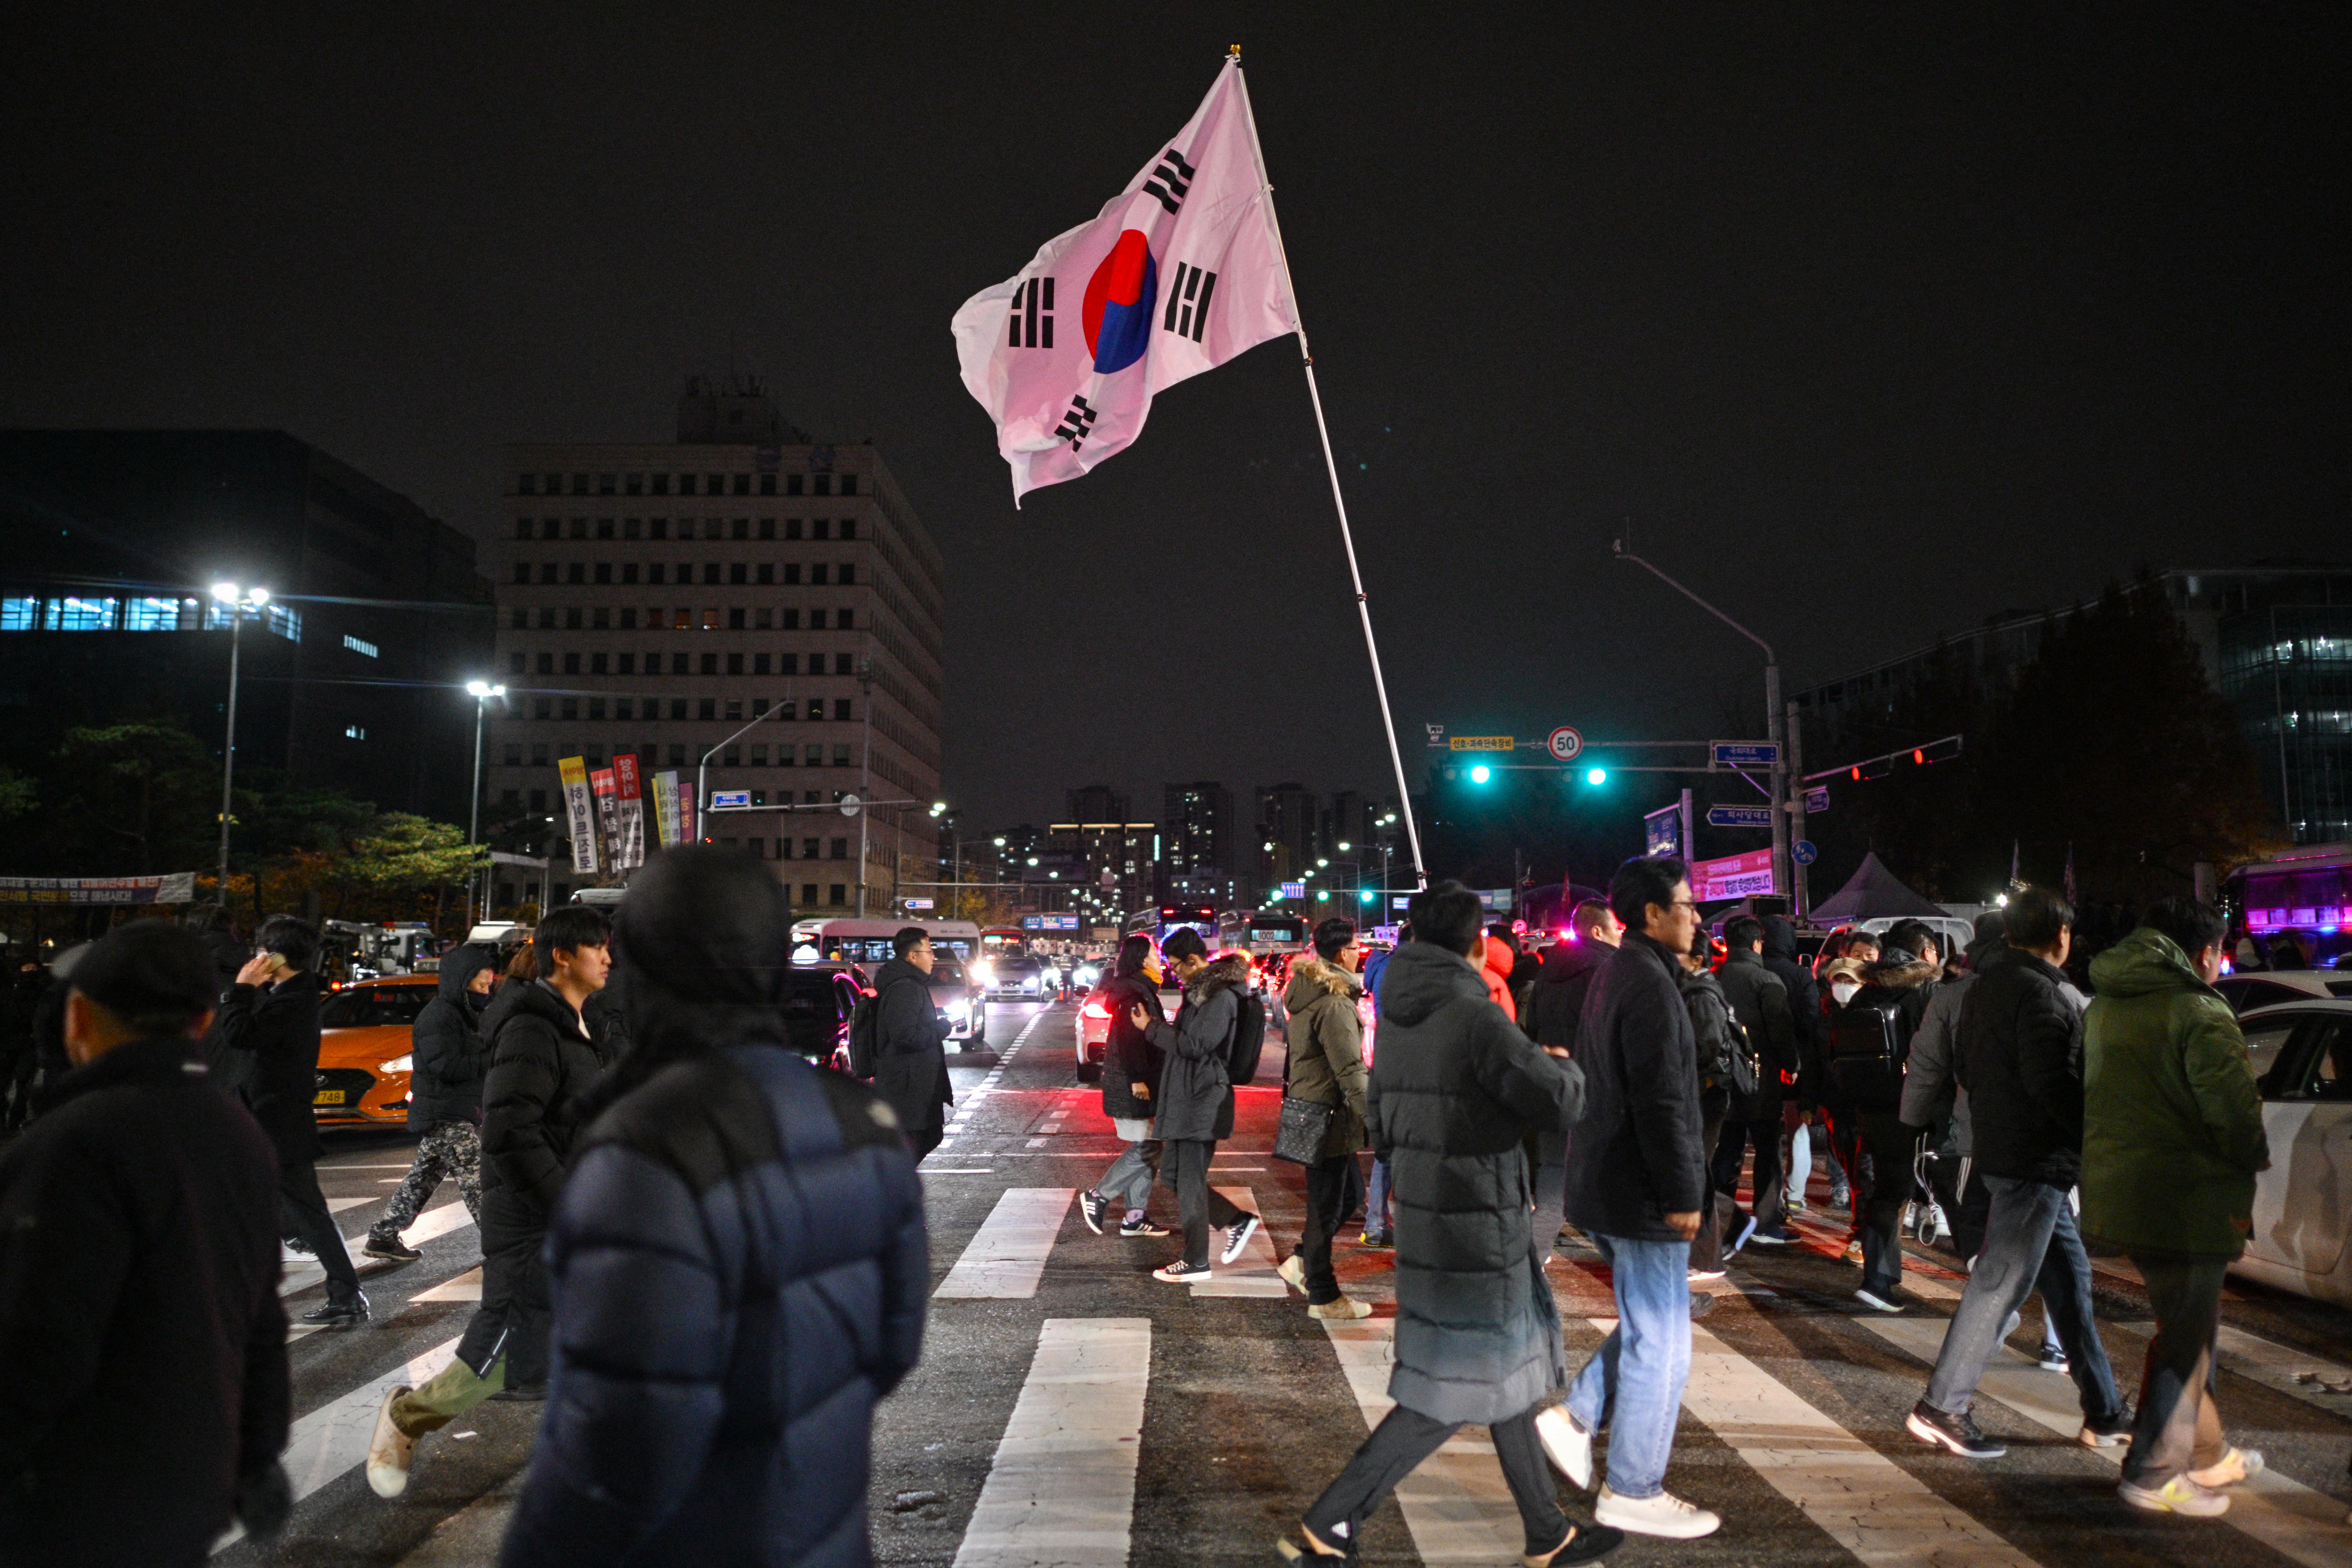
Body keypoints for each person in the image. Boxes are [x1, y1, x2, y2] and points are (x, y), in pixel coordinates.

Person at [492, 847, 926, 1566]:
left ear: (645, 964)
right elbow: (890, 1348)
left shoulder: (647, 1144)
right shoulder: (864, 1120)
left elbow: (621, 1442)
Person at [1278, 883, 1615, 1568]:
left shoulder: (1397, 1012)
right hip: (1477, 1215)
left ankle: (1547, 1531)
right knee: (1458, 1380)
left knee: (1503, 1374)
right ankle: (1330, 1520)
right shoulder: (1472, 1012)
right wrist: (1561, 1064)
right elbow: (1556, 1102)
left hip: (1429, 1209)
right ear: (1473, 942)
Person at [0, 921, 293, 1566]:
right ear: (202, 1021)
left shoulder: (73, 1144)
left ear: (78, 1017)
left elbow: (38, 1341)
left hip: (70, 1500)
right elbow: (258, 1317)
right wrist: (258, 1456)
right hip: (189, 1489)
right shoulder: (235, 1132)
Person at [368, 905, 614, 1497]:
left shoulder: (577, 1024)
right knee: (502, 1349)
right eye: (597, 947)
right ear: (563, 955)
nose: (608, 958)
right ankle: (408, 1417)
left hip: (568, 1211)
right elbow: (509, 1131)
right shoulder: (533, 1026)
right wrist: (567, 1199)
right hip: (532, 1219)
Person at [1905, 888, 2129, 1458]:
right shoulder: (2044, 994)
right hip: (2035, 1159)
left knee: (2070, 1287)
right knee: (1999, 1285)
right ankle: (1943, 1407)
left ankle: (2105, 1410)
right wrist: (2093, 1142)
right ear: (2061, 937)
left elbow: (1970, 1072)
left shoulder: (1981, 990)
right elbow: (2053, 1086)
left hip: (2006, 1152)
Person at [2083, 896, 2269, 1517]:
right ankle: (2154, 1469)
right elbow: (2233, 1115)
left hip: (2125, 1190)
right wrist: (2252, 1159)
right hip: (2187, 1198)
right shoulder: (2199, 1012)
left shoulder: (2109, 1003)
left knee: (2191, 1326)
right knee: (2186, 1336)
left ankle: (2208, 1451)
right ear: (2206, 953)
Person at [1555, 856, 1721, 1539]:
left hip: (1611, 1179)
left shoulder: (1623, 972)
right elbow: (1662, 1099)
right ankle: (1633, 1486)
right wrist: (1685, 1192)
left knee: (1657, 1325)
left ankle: (1574, 1416)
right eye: (1685, 904)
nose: (1696, 916)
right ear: (1652, 914)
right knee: (1666, 1345)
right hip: (1641, 1188)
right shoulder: (1649, 984)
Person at [217, 914, 367, 1326]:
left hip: (277, 1123)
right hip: (270, 1120)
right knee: (268, 1205)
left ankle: (346, 1292)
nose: (255, 957)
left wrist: (243, 989)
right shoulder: (291, 995)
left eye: (262, 950)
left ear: (277, 955)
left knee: (306, 1210)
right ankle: (332, 1282)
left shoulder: (291, 1000)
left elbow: (240, 1034)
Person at [1823, 920, 1940, 1311]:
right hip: (1911, 1107)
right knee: (1911, 1190)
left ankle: (1878, 1278)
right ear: (1927, 953)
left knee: (1885, 1191)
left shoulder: (1863, 992)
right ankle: (1986, 1279)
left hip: (1866, 1105)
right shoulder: (1923, 991)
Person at [1131, 926, 1259, 1282]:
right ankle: (1236, 1219)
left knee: (1187, 1180)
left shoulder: (1219, 996)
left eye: (1177, 967)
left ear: (1193, 959)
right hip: (1189, 1096)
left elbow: (1196, 1044)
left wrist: (1151, 1028)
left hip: (1202, 1098)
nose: (1175, 973)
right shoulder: (1202, 992)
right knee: (1172, 1174)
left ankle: (1196, 1260)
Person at [366, 942, 498, 1261]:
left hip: (449, 1109)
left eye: (489, 984)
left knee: (423, 1177)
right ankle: (502, 1247)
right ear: (461, 981)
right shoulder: (440, 1017)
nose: (486, 990)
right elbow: (447, 1066)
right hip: (446, 1112)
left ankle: (383, 1236)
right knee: (478, 1179)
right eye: (481, 984)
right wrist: (492, 1055)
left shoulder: (461, 1014)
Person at [1275, 917, 1373, 1319]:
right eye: (1354, 947)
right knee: (1327, 1206)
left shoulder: (1314, 994)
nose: (1359, 952)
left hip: (1320, 1110)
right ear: (1339, 953)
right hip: (1329, 1114)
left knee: (1348, 1197)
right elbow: (1349, 1069)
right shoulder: (1333, 1003)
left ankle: (1301, 1261)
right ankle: (1323, 1294)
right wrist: (1377, 1120)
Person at [1524, 900, 1622, 1233]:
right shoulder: (1608, 970)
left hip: (1553, 1080)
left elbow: (1533, 1025)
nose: (1620, 936)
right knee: (1610, 1169)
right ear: (1597, 931)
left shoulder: (1548, 971)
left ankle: (1534, 1252)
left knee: (1554, 1171)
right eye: (1616, 929)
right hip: (1598, 1086)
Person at [1713, 915, 1797, 1248]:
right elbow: (1781, 1028)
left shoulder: (1714, 978)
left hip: (1723, 1077)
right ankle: (1766, 1221)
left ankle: (1720, 1221)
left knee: (1727, 1150)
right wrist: (1792, 1063)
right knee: (1767, 1150)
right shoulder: (1766, 979)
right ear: (1757, 944)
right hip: (1762, 1078)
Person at [1080, 934, 1170, 1237]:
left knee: (1147, 1144)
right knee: (1148, 1145)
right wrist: (1138, 1078)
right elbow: (1132, 1040)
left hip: (1139, 1078)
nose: (1160, 959)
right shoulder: (1133, 995)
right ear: (1142, 960)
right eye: (1155, 955)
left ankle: (1134, 1217)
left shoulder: (1137, 990)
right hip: (1134, 1081)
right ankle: (1099, 1196)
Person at [1676, 944, 1741, 1281]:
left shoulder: (1700, 994)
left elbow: (1707, 1045)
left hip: (1706, 1093)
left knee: (1696, 1174)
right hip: (1704, 1092)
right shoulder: (1697, 990)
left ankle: (1707, 1260)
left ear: (1698, 960)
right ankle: (1737, 1220)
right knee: (1696, 1172)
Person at [870, 927, 952, 1160]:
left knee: (927, 1137)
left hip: (914, 1086)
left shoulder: (910, 983)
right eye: (929, 951)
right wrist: (943, 1028)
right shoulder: (905, 988)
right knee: (916, 1143)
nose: (934, 957)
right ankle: (887, 1194)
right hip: (908, 1089)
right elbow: (905, 1036)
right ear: (913, 956)